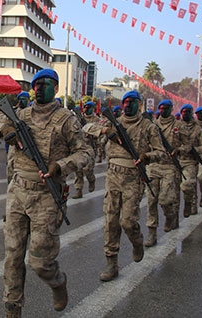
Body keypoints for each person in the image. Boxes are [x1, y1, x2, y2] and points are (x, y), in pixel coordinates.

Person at [0, 68, 92, 316]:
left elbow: (85, 153)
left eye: (45, 84)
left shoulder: (67, 119)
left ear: (56, 87)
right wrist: (5, 131)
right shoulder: (19, 114)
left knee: (41, 261)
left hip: (47, 195)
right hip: (18, 191)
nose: (40, 88)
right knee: (12, 256)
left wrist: (60, 166)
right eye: (36, 84)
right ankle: (13, 309)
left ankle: (57, 282)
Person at [83, 90, 165, 282]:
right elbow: (87, 127)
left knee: (127, 221)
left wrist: (146, 156)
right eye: (125, 102)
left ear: (140, 104)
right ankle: (111, 263)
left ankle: (137, 241)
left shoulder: (148, 126)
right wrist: (105, 131)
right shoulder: (113, 121)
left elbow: (161, 152)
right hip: (113, 176)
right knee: (111, 221)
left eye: (132, 102)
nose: (128, 105)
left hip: (133, 178)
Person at [144, 100, 186, 247]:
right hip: (154, 165)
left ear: (171, 109)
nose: (162, 111)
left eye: (165, 108)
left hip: (170, 166)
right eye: (160, 108)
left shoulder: (179, 126)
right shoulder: (152, 125)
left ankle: (170, 216)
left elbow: (188, 144)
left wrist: (179, 150)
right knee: (151, 200)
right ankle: (152, 233)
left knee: (165, 199)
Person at [178, 104, 202, 218]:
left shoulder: (198, 129)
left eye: (188, 112)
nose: (186, 114)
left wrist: (194, 149)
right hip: (176, 159)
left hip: (191, 161)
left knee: (189, 184)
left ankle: (190, 203)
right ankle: (189, 207)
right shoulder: (176, 126)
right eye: (184, 112)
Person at [73, 101, 97, 198]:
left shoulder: (96, 119)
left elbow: (99, 132)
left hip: (89, 146)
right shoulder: (78, 118)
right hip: (79, 146)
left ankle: (91, 180)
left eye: (89, 107)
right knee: (78, 170)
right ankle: (78, 190)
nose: (87, 109)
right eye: (86, 107)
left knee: (87, 169)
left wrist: (91, 133)